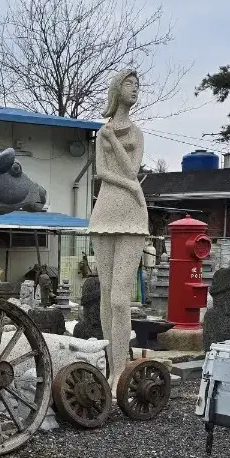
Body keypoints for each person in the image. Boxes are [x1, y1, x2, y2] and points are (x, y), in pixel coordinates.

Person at [88, 69, 148, 385]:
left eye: (138, 85)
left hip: (132, 215)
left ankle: (120, 370)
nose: (135, 89)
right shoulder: (103, 132)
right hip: (105, 212)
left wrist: (114, 142)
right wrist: (125, 181)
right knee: (105, 295)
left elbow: (132, 171)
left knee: (120, 299)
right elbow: (101, 171)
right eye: (129, 83)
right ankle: (110, 367)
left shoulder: (135, 133)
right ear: (117, 89)